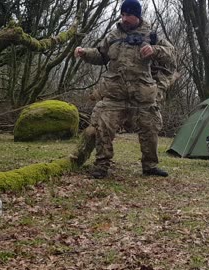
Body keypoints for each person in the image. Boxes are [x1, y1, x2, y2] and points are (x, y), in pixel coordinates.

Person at [72, 0, 176, 179]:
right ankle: (102, 165)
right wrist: (84, 53)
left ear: (138, 16)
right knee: (103, 127)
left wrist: (155, 50)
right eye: (123, 14)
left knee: (150, 128)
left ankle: (150, 166)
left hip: (142, 94)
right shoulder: (113, 35)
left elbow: (173, 54)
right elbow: (101, 55)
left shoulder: (151, 35)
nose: (125, 18)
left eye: (129, 15)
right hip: (114, 93)